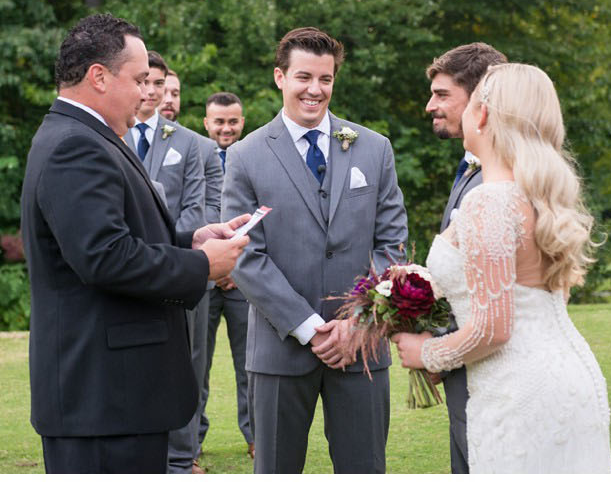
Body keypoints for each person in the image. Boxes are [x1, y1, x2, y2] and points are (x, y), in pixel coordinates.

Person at [21, 13, 249, 473]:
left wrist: (191, 240)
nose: (153, 94)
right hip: (104, 400)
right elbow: (104, 258)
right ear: (99, 77)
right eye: (142, 80)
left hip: (116, 399)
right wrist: (202, 266)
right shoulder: (75, 146)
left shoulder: (86, 135)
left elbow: (115, 238)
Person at [389, 63, 611, 473]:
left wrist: (428, 352)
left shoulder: (490, 201)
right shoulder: (537, 194)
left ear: (484, 114)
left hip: (519, 389)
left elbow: (494, 327)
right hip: (567, 374)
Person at [224, 27, 409, 474]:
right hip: (279, 350)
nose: (315, 89)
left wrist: (355, 324)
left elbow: (393, 245)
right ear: (279, 77)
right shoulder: (246, 155)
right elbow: (246, 255)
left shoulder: (374, 148)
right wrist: (310, 328)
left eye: (325, 79)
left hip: (361, 349)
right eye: (304, 77)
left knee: (365, 469)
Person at [131, 57, 224, 474]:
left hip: (182, 271)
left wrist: (160, 254)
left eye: (159, 84)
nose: (151, 91)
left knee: (188, 365)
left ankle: (183, 458)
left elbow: (196, 211)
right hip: (129, 273)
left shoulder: (191, 144)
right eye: (145, 81)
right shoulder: (111, 137)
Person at [421, 41, 508, 473]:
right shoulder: (474, 166)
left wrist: (436, 352)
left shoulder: (504, 180)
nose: (429, 106)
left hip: (491, 365)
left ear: (479, 100)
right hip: (465, 358)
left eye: (441, 95)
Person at [198, 91, 254, 461]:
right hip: (199, 278)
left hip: (243, 278)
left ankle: (257, 436)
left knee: (250, 362)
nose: (226, 128)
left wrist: (237, 263)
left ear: (242, 121)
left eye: (232, 121)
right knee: (193, 365)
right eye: (219, 121)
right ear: (206, 123)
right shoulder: (195, 156)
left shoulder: (252, 157)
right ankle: (190, 444)